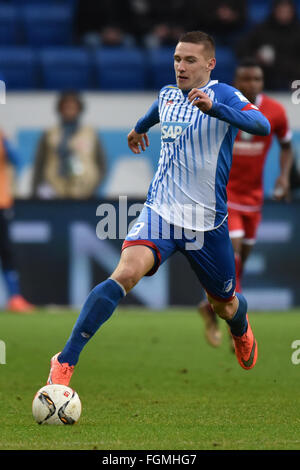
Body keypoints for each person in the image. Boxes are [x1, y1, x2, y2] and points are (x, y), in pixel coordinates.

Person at [45, 31, 270, 386]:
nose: (181, 66)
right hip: (160, 213)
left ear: (209, 64)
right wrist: (138, 129)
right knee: (125, 274)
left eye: (190, 60)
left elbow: (262, 124)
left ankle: (240, 327)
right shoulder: (167, 94)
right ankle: (65, 360)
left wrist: (217, 110)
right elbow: (157, 110)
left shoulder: (222, 94)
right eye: (177, 59)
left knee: (224, 305)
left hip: (206, 223)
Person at [198, 58, 293, 348]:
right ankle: (237, 326)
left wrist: (285, 178)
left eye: (256, 80)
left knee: (240, 262)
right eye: (245, 80)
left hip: (254, 197)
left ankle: (212, 307)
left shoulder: (275, 112)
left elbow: (287, 146)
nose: (251, 85)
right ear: (236, 82)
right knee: (235, 250)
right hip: (224, 196)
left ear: (262, 83)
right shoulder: (221, 107)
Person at [32, 91, 106, 199]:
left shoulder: (90, 133)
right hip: (54, 191)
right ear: (60, 110)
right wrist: (36, 190)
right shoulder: (50, 133)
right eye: (66, 107)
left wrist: (94, 185)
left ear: (79, 109)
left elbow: (101, 163)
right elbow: (40, 163)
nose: (69, 111)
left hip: (85, 192)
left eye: (73, 107)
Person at [0, 131, 35, 313]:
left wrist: (5, 142)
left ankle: (15, 297)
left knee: (6, 252)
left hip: (2, 203)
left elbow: (16, 159)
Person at [236, 0, 300, 90]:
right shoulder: (262, 29)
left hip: (293, 78)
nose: (283, 15)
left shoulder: (298, 31)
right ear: (274, 11)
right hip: (267, 77)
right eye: (280, 11)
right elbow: (242, 48)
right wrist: (255, 57)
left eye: (287, 12)